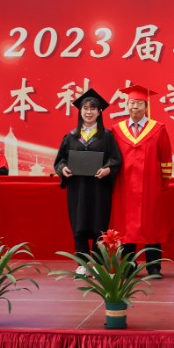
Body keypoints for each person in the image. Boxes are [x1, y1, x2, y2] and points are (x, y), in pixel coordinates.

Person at [54, 88, 122, 273]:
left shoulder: (106, 136)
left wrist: (107, 169)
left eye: (93, 109)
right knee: (79, 224)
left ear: (99, 112)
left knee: (99, 225)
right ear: (80, 111)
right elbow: (60, 160)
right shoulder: (71, 136)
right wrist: (63, 169)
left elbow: (116, 159)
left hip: (100, 188)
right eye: (85, 108)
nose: (89, 112)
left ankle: (98, 264)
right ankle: (82, 265)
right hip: (77, 188)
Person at [110, 84, 172, 277]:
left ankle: (154, 267)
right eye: (131, 103)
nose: (135, 106)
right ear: (126, 105)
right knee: (126, 227)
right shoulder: (117, 130)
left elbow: (165, 158)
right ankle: (128, 266)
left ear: (146, 106)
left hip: (150, 185)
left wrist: (163, 183)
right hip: (124, 186)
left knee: (151, 225)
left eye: (139, 103)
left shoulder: (158, 129)